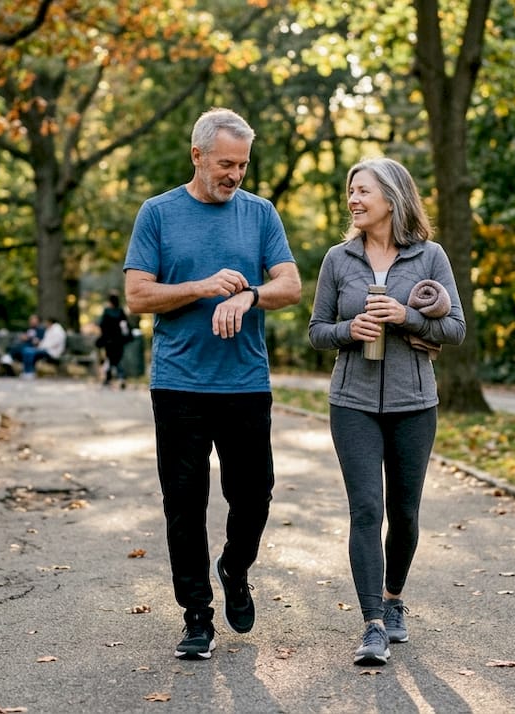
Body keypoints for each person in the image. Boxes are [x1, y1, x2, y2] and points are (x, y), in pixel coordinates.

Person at [123, 107, 301, 661]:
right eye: (226, 163)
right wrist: (201, 288)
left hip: (245, 383)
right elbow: (137, 296)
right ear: (197, 155)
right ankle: (196, 616)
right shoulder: (157, 214)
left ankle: (235, 566)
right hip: (179, 385)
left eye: (243, 165)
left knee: (254, 495)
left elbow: (291, 286)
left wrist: (249, 294)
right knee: (184, 504)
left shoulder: (260, 214)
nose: (236, 175)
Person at [307, 157, 466, 666]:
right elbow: (316, 332)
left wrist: (406, 316)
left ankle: (394, 599)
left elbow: (456, 329)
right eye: (350, 192)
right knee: (366, 510)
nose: (353, 200)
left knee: (405, 512)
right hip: (351, 402)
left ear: (392, 199)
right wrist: (350, 331)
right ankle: (372, 623)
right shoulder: (338, 258)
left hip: (414, 404)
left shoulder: (430, 257)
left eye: (362, 192)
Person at [96, 293, 130, 388]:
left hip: (108, 341)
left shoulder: (107, 311)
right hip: (119, 340)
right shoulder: (121, 311)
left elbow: (102, 325)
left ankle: (109, 379)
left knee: (110, 359)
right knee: (117, 359)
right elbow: (125, 326)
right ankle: (121, 377)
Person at [6, 315, 45, 380]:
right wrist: (24, 337)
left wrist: (28, 338)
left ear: (37, 321)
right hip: (25, 347)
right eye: (30, 320)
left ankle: (28, 372)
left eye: (33, 319)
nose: (31, 321)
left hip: (35, 348)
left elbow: (37, 341)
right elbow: (24, 337)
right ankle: (9, 357)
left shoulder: (40, 329)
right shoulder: (29, 329)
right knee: (18, 347)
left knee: (27, 351)